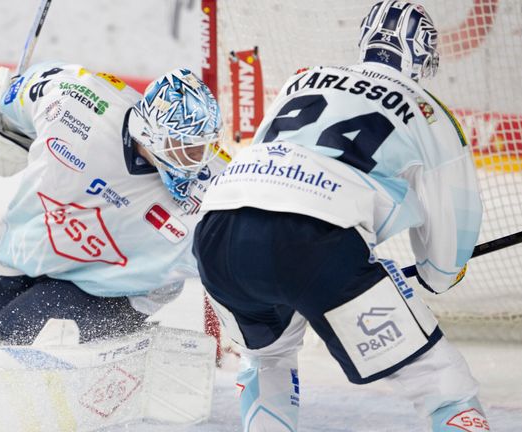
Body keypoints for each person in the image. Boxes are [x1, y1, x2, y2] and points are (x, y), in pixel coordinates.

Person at [192, 1, 488, 431]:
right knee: (441, 383)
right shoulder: (427, 109)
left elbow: (260, 164)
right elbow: (450, 233)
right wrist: (436, 275)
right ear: (423, 54)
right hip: (314, 241)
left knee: (267, 360)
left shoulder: (301, 79)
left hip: (219, 231)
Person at [0, 62, 225, 345]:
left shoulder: (217, 190)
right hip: (26, 251)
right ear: (150, 134)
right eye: (186, 147)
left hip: (110, 288)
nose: (198, 160)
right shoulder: (77, 101)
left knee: (1, 343)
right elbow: (15, 95)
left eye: (205, 147)